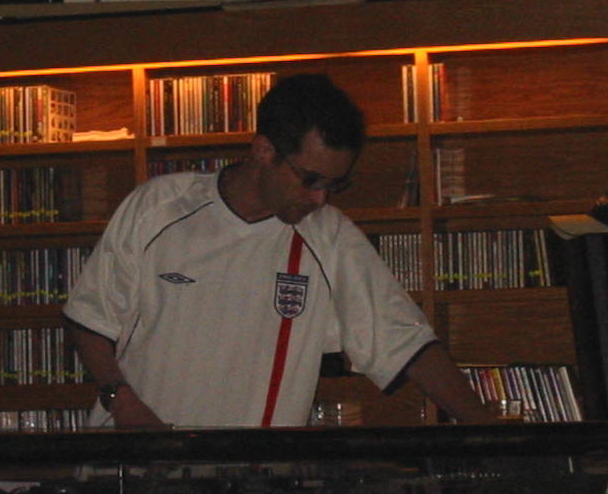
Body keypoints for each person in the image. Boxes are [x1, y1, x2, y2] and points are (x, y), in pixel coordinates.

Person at [63, 73, 493, 428]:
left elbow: (407, 343)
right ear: (264, 150)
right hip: (139, 462)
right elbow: (90, 317)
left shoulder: (330, 237)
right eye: (310, 180)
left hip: (251, 478)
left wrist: (486, 430)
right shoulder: (159, 207)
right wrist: (121, 400)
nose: (320, 199)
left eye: (335, 184)